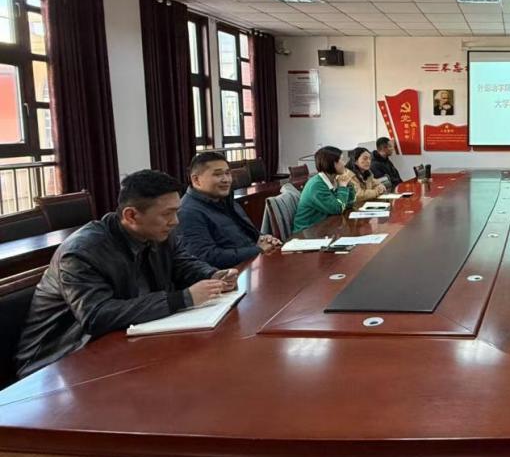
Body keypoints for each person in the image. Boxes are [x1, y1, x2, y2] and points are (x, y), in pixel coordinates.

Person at [15, 170, 238, 378]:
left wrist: (213, 275)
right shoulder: (81, 252)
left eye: (176, 212)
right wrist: (182, 298)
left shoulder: (159, 233)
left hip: (121, 341)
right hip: (57, 363)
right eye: (167, 214)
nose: (175, 221)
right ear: (131, 215)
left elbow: (182, 264)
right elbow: (97, 315)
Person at [177, 151, 281, 266]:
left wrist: (263, 239)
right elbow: (206, 257)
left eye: (228, 173)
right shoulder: (188, 212)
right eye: (218, 175)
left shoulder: (226, 200)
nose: (226, 179)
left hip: (251, 264)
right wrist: (258, 249)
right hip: (230, 273)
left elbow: (249, 233)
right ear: (196, 180)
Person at [293, 146, 356, 233]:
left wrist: (349, 184)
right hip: (307, 232)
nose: (344, 164)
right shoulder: (316, 185)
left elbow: (349, 203)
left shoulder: (334, 180)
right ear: (332, 163)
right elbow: (337, 209)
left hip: (324, 227)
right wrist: (343, 187)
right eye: (341, 160)